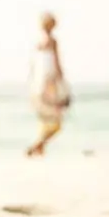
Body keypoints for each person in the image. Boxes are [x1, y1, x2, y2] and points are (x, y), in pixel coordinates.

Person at [26, 12, 71, 157]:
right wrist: (62, 81)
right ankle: (38, 145)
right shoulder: (52, 41)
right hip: (50, 81)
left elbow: (33, 66)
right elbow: (57, 63)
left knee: (46, 119)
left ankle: (40, 147)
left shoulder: (38, 43)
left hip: (38, 84)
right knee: (57, 121)